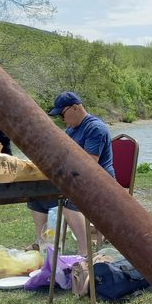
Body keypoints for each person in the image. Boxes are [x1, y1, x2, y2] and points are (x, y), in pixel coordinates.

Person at [27, 91, 114, 251]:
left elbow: (89, 164)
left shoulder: (95, 128)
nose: (62, 119)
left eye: (62, 114)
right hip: (75, 179)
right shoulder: (71, 130)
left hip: (99, 182)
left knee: (68, 200)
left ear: (75, 107)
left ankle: (85, 251)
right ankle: (43, 244)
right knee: (36, 195)